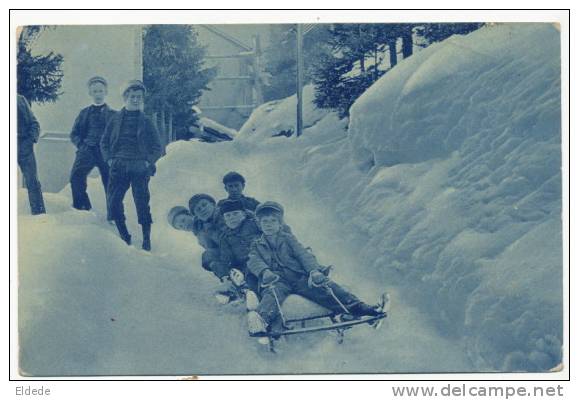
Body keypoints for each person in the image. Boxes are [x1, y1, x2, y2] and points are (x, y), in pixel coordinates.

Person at [246, 201, 383, 335]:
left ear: (280, 223)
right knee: (271, 295)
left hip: (298, 276)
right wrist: (264, 271)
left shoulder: (288, 239)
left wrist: (314, 271)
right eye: (265, 222)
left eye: (273, 221)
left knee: (324, 288)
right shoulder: (256, 244)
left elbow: (303, 255)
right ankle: (262, 320)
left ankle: (358, 307)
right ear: (259, 224)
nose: (269, 225)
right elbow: (253, 260)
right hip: (277, 280)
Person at [100, 80, 162, 251]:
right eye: (132, 96)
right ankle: (124, 235)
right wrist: (109, 159)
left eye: (139, 97)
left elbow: (158, 146)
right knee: (113, 202)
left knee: (141, 202)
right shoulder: (115, 119)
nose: (136, 100)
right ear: (125, 97)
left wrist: (147, 161)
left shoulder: (147, 121)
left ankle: (146, 239)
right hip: (118, 165)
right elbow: (104, 142)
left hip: (139, 166)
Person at [69, 76, 117, 218]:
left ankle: (114, 215)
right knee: (75, 177)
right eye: (95, 91)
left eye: (100, 91)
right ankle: (83, 209)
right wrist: (81, 145)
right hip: (87, 151)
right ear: (90, 93)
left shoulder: (114, 115)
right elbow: (74, 133)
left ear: (106, 92)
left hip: (105, 153)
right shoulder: (84, 113)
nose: (98, 94)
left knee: (110, 183)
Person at [17, 95, 45, 215]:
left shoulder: (20, 100)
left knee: (32, 181)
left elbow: (34, 124)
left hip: (24, 146)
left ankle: (39, 215)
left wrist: (30, 140)